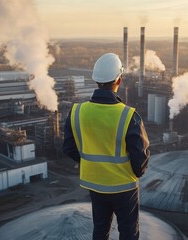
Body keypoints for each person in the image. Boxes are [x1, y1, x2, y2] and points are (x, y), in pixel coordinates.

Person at [63, 53, 150, 240]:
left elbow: (69, 148)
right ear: (119, 79)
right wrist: (134, 173)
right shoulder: (129, 115)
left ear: (95, 80)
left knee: (100, 231)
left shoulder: (77, 111)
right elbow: (140, 158)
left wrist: (91, 164)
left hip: (95, 185)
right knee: (128, 233)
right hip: (124, 187)